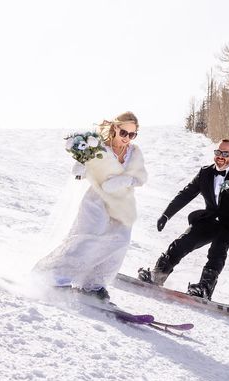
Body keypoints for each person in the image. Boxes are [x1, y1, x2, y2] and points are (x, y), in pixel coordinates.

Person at [33, 111, 147, 302]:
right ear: (114, 129)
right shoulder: (98, 148)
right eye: (124, 133)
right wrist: (81, 165)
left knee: (121, 240)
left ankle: (94, 284)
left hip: (122, 204)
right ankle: (56, 276)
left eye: (132, 134)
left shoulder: (134, 153)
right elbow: (80, 172)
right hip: (97, 199)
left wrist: (124, 180)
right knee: (89, 236)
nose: (127, 138)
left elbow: (141, 177)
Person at [138, 139, 229, 301]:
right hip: (209, 220)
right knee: (182, 242)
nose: (221, 156)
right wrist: (166, 214)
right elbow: (186, 194)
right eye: (218, 152)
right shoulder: (205, 173)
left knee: (217, 251)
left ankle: (204, 288)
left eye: (226, 153)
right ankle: (158, 275)